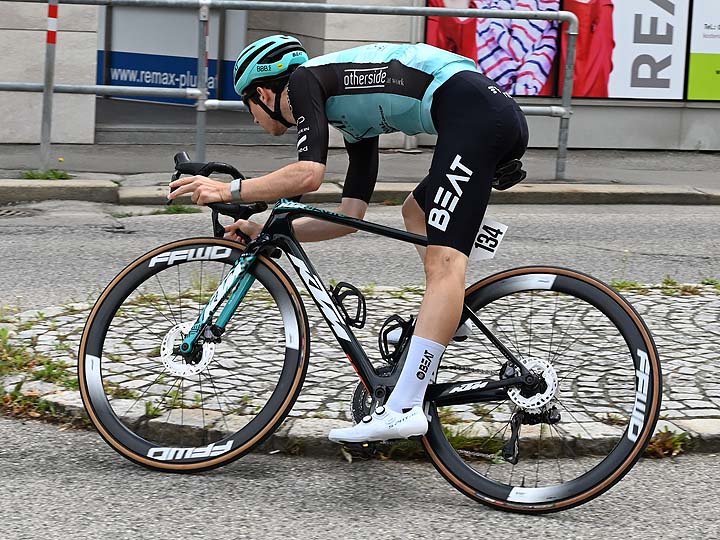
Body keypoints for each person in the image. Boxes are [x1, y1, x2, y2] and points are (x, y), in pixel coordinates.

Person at [167, 34, 528, 443]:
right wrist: (264, 226)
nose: (252, 118)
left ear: (263, 93)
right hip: (484, 112)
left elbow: (308, 174)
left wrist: (226, 190)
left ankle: (404, 407)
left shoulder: (303, 81)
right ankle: (448, 317)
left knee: (445, 262)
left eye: (247, 105)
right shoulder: (353, 113)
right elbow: (349, 218)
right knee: (416, 212)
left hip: (475, 114)